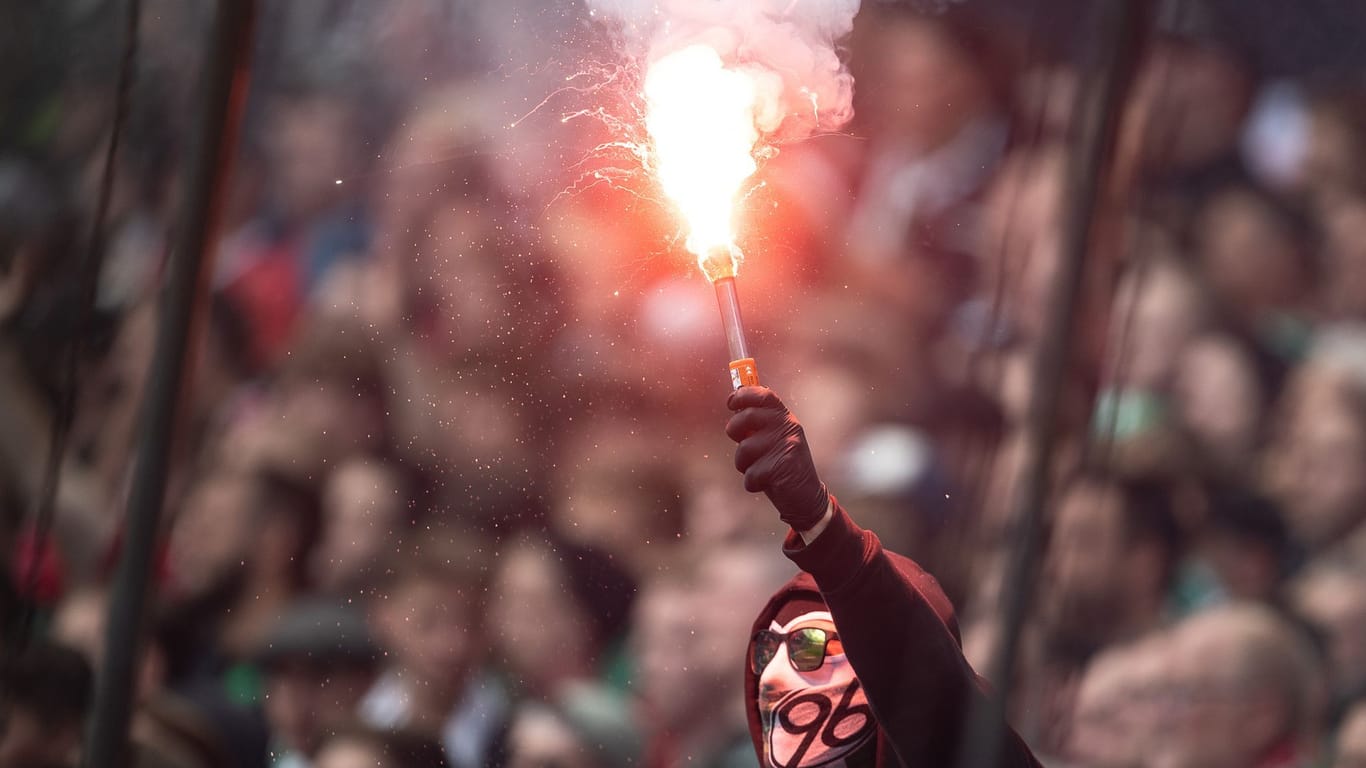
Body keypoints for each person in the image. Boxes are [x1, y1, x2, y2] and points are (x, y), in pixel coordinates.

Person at [724, 386, 1040, 767]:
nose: (774, 673)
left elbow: (919, 672)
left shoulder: (947, 722)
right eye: (766, 648)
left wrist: (823, 530)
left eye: (809, 645)